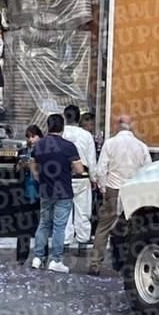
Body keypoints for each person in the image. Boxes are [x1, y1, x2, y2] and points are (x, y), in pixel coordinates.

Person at [89, 115, 153, 276]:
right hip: (134, 191)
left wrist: (103, 188)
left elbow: (101, 169)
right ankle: (129, 266)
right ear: (131, 127)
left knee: (103, 228)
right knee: (132, 229)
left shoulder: (110, 144)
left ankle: (95, 264)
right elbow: (148, 170)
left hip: (113, 189)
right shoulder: (141, 146)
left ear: (118, 126)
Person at [30, 114, 83, 273]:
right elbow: (79, 169)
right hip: (64, 192)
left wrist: (37, 176)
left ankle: (38, 258)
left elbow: (32, 163)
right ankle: (56, 260)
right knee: (59, 227)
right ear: (62, 127)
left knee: (44, 224)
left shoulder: (39, 145)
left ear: (48, 126)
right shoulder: (68, 146)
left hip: (45, 190)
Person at [62, 105, 97, 248]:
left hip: (64, 177)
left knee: (65, 210)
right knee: (83, 210)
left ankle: (65, 240)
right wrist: (94, 179)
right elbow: (91, 159)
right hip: (82, 177)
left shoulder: (61, 134)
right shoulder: (86, 135)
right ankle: (83, 239)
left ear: (65, 117)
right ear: (78, 118)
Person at [16, 125, 42, 264]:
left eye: (33, 136)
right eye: (28, 137)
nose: (30, 140)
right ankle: (21, 256)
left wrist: (33, 168)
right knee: (23, 226)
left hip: (39, 193)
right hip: (24, 192)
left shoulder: (44, 152)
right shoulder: (23, 151)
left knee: (41, 226)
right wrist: (20, 165)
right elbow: (15, 171)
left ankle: (41, 256)